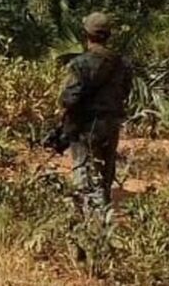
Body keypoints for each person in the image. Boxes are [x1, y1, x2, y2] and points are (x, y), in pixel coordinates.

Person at [60, 12, 133, 216]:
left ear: (86, 35)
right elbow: (125, 92)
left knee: (84, 173)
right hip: (111, 125)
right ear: (108, 35)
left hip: (85, 127)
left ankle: (90, 220)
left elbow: (69, 98)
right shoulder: (122, 64)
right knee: (105, 173)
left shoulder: (80, 64)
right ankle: (103, 213)